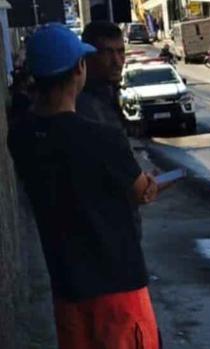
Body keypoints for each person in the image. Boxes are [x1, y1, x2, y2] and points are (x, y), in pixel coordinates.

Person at [8, 24, 164, 349]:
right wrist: (148, 185)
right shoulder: (102, 139)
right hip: (118, 290)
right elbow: (140, 191)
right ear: (80, 69)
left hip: (67, 289)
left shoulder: (21, 137)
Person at [76, 22, 127, 130]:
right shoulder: (86, 107)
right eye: (108, 53)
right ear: (89, 56)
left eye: (121, 51)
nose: (117, 62)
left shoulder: (108, 93)